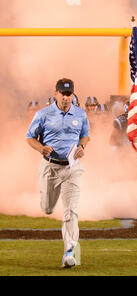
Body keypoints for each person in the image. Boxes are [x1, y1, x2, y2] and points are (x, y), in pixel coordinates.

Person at [26, 78, 89, 268]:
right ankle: (69, 248)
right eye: (63, 93)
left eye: (69, 94)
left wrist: (82, 146)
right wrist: (41, 148)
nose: (66, 97)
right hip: (50, 167)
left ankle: (69, 251)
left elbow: (85, 135)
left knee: (71, 210)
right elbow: (30, 137)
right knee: (47, 208)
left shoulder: (80, 114)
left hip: (72, 168)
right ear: (56, 94)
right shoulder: (43, 114)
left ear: (73, 95)